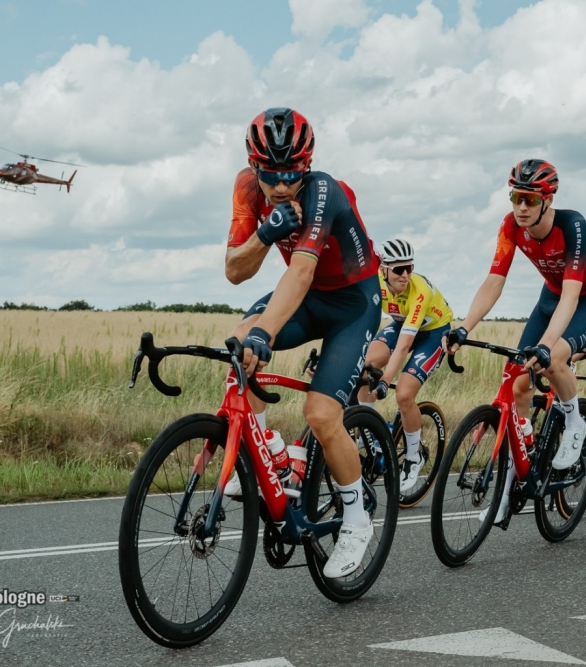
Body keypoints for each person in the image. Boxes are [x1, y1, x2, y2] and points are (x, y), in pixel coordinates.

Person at [223, 107, 381, 578]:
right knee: (236, 345)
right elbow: (235, 270)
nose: (282, 185)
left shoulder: (324, 192)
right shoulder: (248, 188)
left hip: (353, 302)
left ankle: (355, 519)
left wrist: (265, 331)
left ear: (307, 165)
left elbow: (303, 269)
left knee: (321, 412)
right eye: (271, 174)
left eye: (293, 173)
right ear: (254, 166)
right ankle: (267, 449)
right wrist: (266, 234)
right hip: (309, 296)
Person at [443, 159, 586, 524]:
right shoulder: (510, 226)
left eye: (530, 200)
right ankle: (515, 474)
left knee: (551, 360)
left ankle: (574, 424)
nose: (521, 207)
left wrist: (547, 346)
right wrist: (463, 328)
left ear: (548, 200)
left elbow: (572, 297)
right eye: (516, 197)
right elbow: (494, 281)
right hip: (549, 297)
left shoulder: (573, 227)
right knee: (517, 378)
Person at [357, 239, 453, 492]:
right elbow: (358, 323)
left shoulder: (419, 290)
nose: (406, 275)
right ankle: (367, 430)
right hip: (402, 324)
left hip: (433, 332)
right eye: (399, 269)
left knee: (404, 393)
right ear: (383, 269)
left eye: (409, 267)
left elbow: (402, 347)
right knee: (365, 367)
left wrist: (385, 381)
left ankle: (414, 456)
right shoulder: (375, 283)